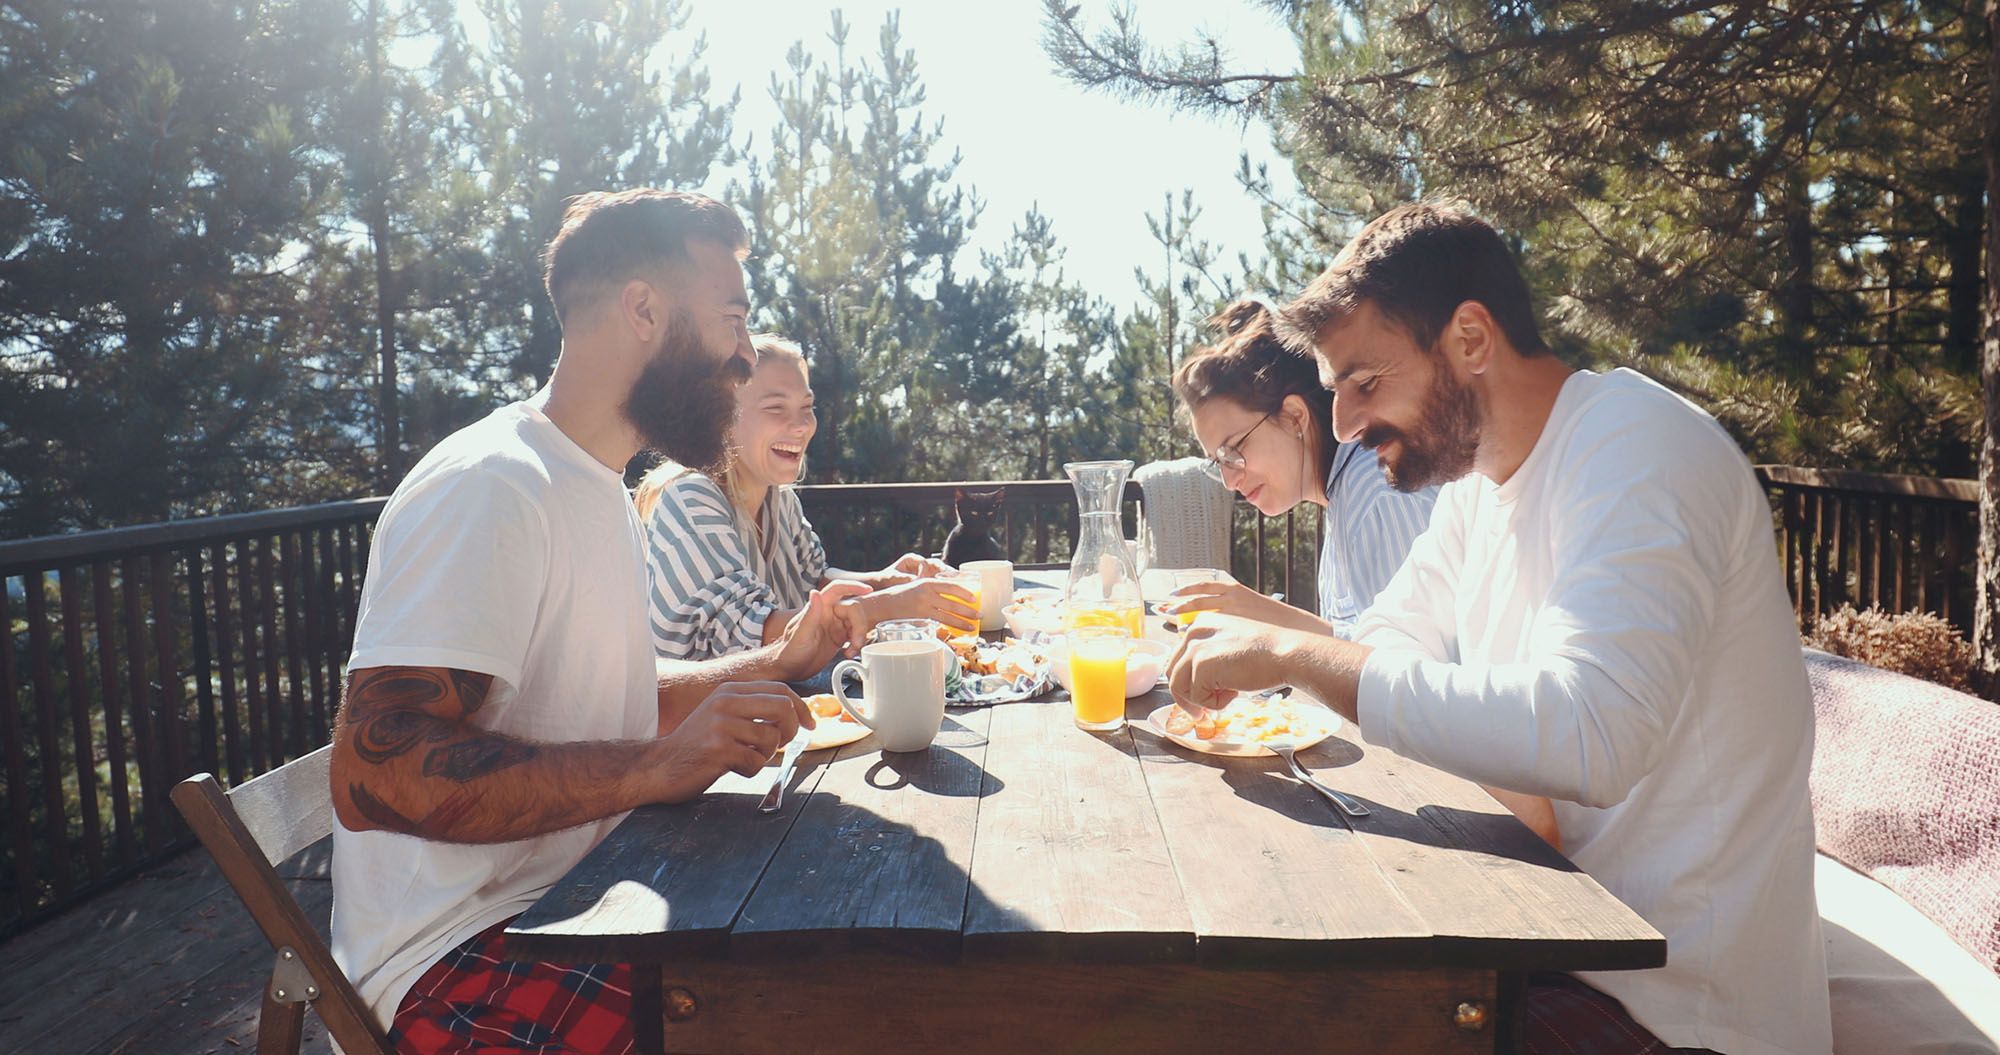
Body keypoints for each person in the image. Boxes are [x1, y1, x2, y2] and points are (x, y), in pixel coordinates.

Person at [1166, 201, 1830, 1055]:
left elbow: (1595, 731)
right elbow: (1384, 641)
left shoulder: (1641, 449)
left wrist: (1293, 653)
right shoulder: (1479, 490)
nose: (1344, 425)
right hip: (1545, 936)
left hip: (1673, 1008)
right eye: (1335, 395)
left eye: (1365, 383)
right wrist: (1312, 663)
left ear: (1471, 339)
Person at [330, 189, 862, 1055]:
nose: (741, 355)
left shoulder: (598, 488)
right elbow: (376, 769)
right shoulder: (492, 486)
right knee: (801, 1010)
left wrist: (773, 658)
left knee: (838, 960)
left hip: (583, 896)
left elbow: (603, 698)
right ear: (643, 309)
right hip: (461, 960)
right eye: (732, 319)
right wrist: (657, 766)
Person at [635, 334, 978, 661]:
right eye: (776, 408)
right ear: (722, 419)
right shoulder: (690, 498)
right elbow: (748, 636)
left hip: (770, 703)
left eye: (807, 407)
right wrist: (886, 606)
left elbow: (815, 579)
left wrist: (887, 580)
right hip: (697, 718)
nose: (801, 425)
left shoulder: (780, 500)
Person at [1163, 298, 1437, 639]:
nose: (1229, 481)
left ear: (1295, 416)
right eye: (1217, 462)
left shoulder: (1379, 490)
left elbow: (1405, 670)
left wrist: (1268, 619)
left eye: (1234, 449)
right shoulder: (1346, 493)